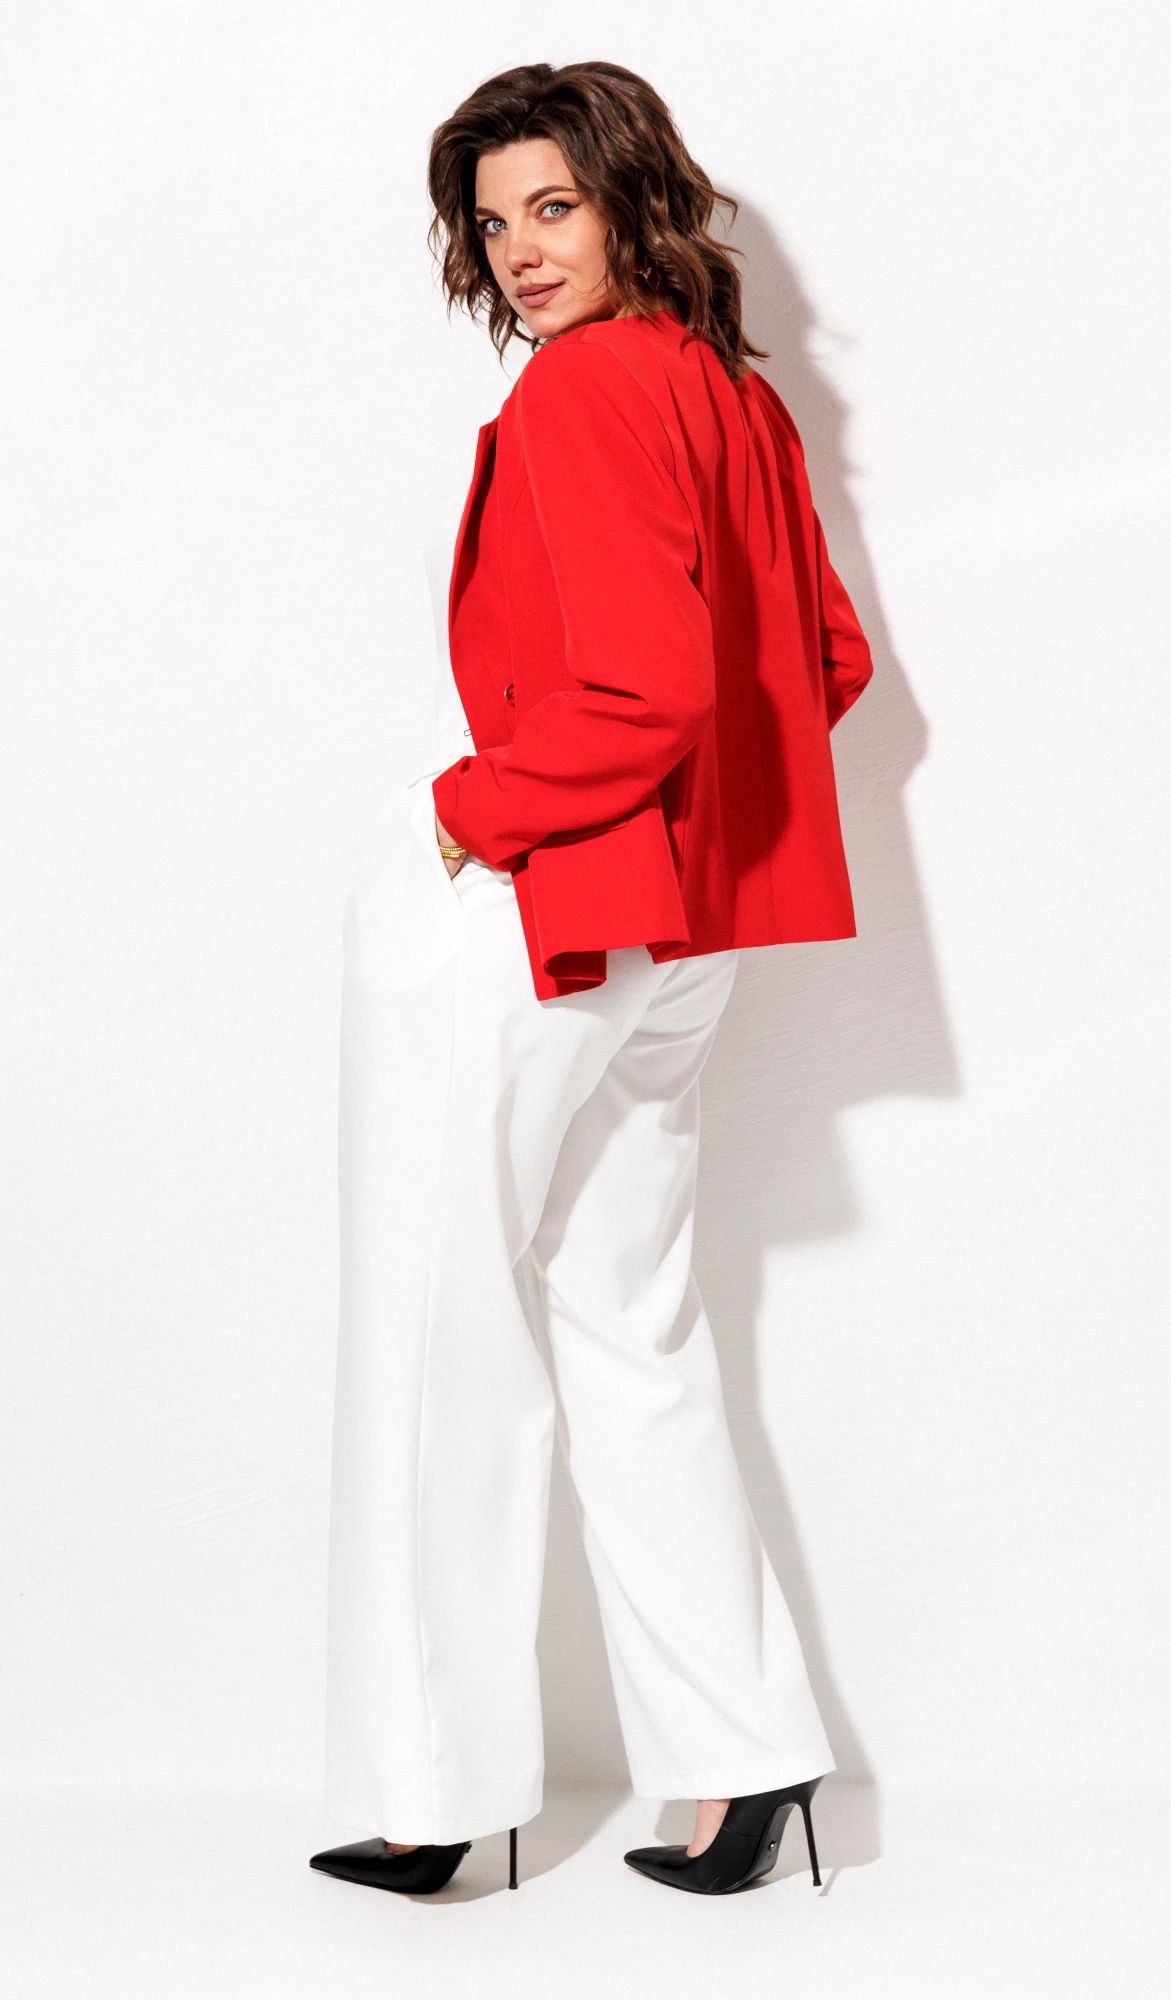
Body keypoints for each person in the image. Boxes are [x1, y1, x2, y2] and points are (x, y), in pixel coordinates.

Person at [310, 59, 872, 1901]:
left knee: (436, 1322)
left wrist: (467, 814)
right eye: (493, 224)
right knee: (635, 1331)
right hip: (683, 937)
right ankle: (740, 1766)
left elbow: (650, 691)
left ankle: (435, 1791)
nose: (521, 253)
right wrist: (682, 832)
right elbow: (823, 664)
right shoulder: (732, 395)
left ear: (635, 200)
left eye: (554, 207)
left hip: (548, 911)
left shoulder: (581, 392)